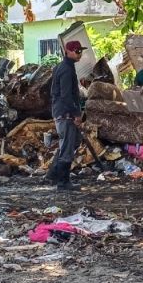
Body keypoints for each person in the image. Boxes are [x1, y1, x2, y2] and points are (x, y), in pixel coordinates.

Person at [47, 40, 86, 191]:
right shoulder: (66, 69)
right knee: (67, 148)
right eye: (77, 51)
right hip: (65, 113)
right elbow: (65, 95)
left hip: (63, 112)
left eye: (80, 50)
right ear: (67, 51)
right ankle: (63, 182)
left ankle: (54, 174)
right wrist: (76, 114)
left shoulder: (64, 67)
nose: (79, 54)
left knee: (74, 141)